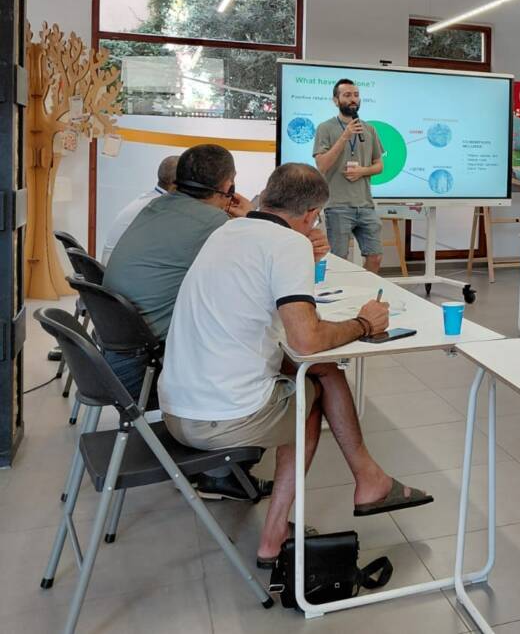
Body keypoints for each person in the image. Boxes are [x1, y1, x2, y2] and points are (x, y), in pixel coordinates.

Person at [159, 163, 432, 568]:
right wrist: (363, 323)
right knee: (310, 394)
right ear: (311, 215)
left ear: (266, 196)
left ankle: (370, 480)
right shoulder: (288, 245)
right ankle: (275, 535)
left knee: (322, 371)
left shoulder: (225, 231)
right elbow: (305, 339)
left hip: (175, 407)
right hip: (218, 418)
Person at [103, 145, 253, 393]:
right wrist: (251, 217)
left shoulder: (155, 206)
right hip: (146, 366)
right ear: (229, 186)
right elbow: (253, 275)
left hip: (113, 355)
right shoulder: (214, 222)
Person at [313, 78, 385, 273]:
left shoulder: (369, 129)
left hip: (365, 205)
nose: (353, 99)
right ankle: (342, 299)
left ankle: (365, 294)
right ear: (336, 100)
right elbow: (322, 165)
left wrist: (363, 171)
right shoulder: (325, 128)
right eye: (347, 95)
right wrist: (345, 136)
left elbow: (379, 165)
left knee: (375, 256)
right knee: (339, 260)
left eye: (355, 95)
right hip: (337, 206)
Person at [100, 154, 180, 263]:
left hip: (114, 267)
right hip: (120, 270)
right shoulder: (159, 207)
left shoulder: (149, 199)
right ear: (175, 184)